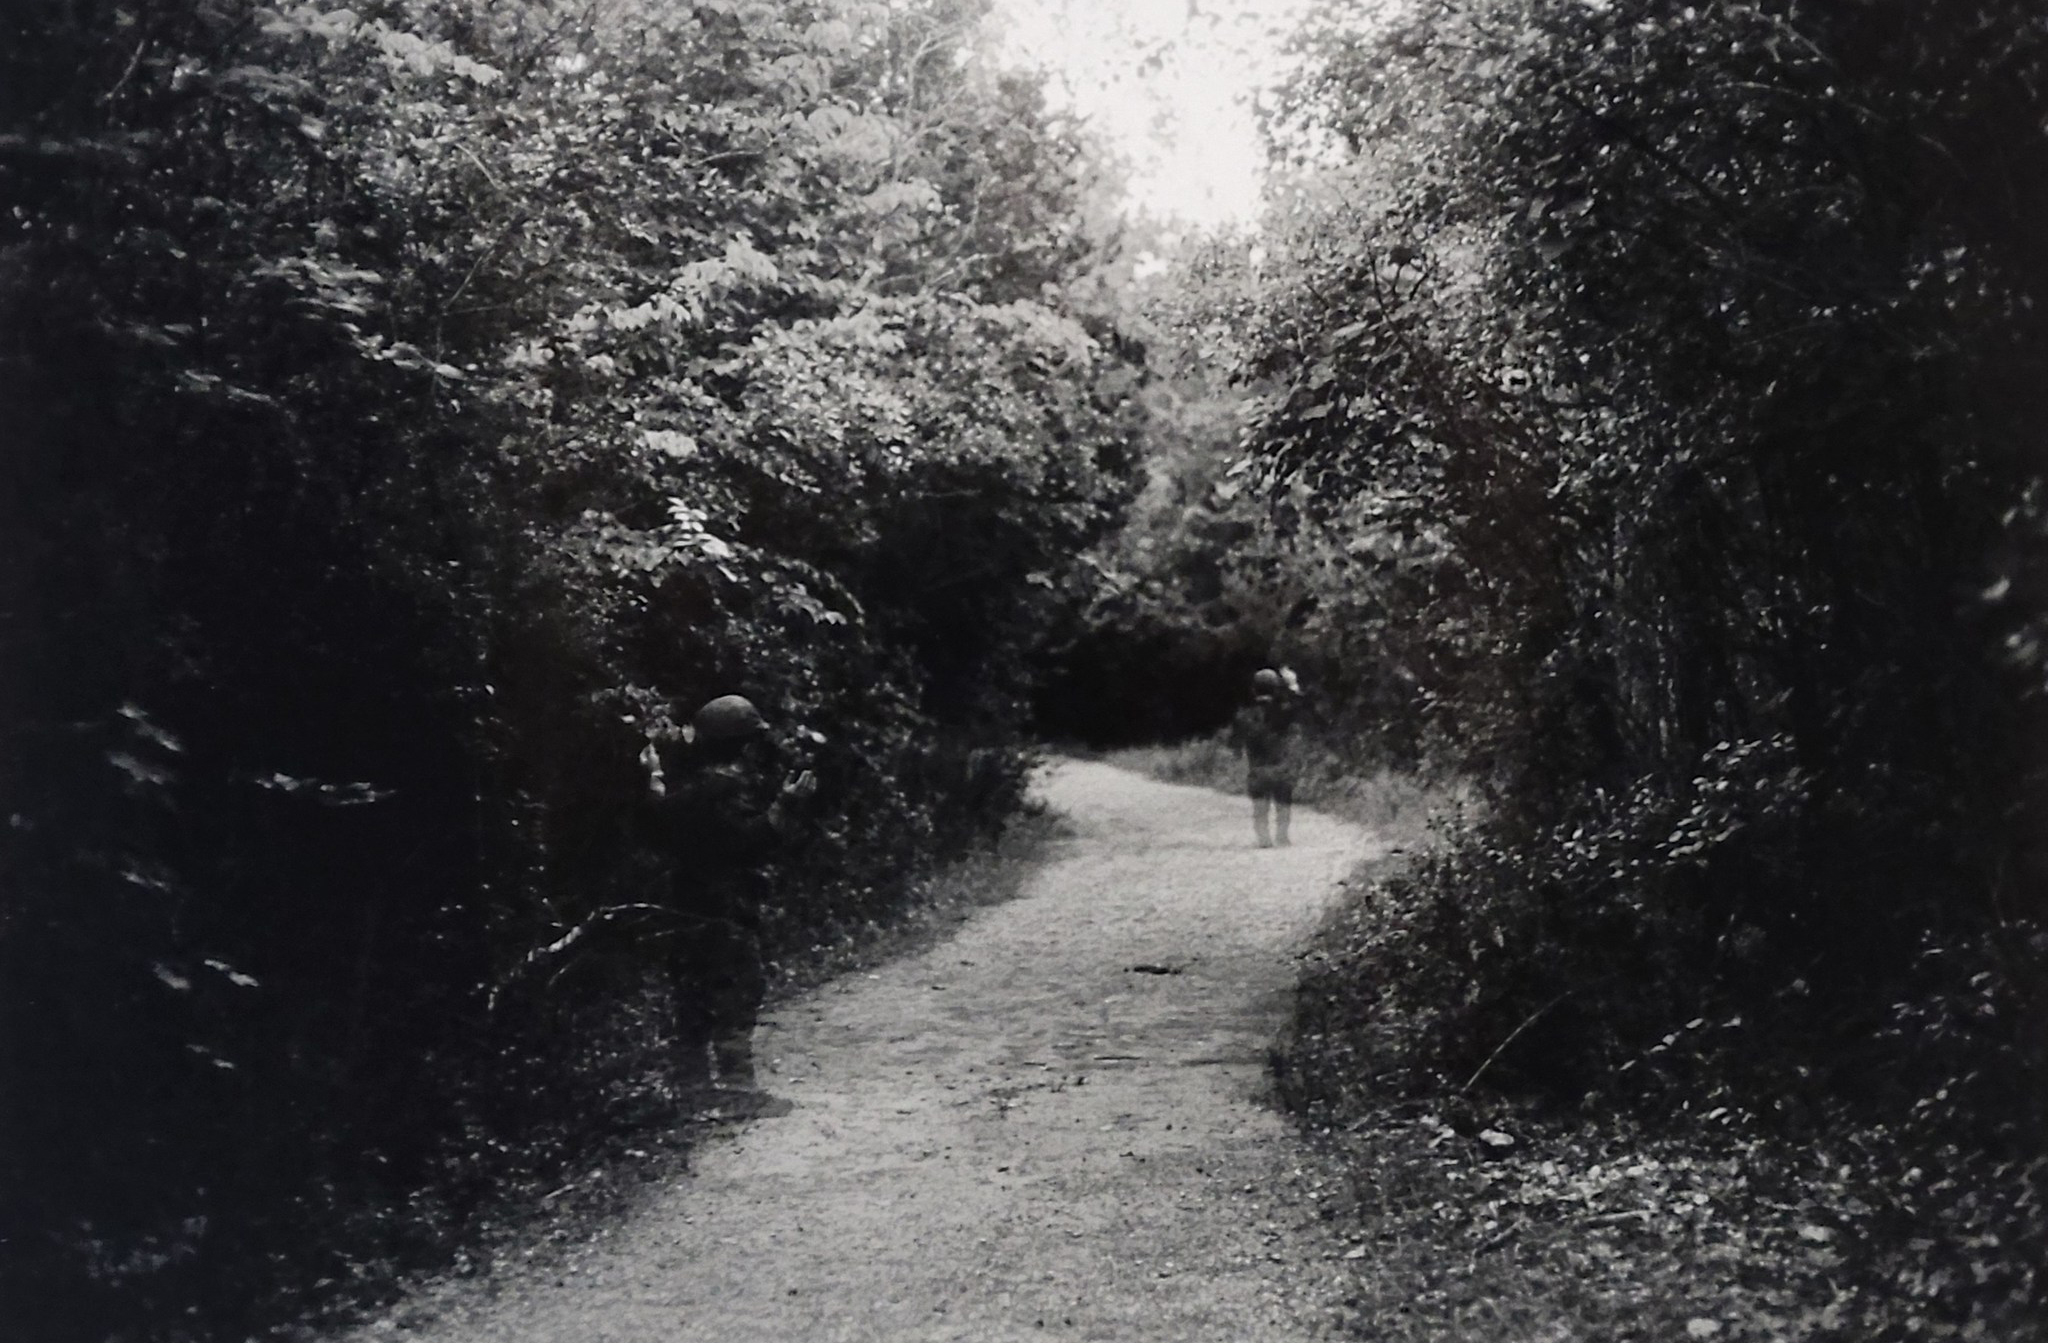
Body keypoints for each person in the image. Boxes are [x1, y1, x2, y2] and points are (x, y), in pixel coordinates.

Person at [642, 693, 814, 1095]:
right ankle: (736, 1080)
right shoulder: (725, 787)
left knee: (691, 990)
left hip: (684, 900)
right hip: (726, 903)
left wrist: (653, 777)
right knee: (740, 986)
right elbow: (744, 843)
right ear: (741, 744)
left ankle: (691, 1081)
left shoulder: (688, 787)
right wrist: (785, 807)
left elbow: (658, 822)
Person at [1228, 667, 1300, 848]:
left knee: (1260, 808)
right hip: (1281, 767)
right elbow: (1301, 705)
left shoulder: (1244, 715)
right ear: (1277, 689)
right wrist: (1292, 685)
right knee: (1283, 805)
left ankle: (1264, 839)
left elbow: (1234, 744)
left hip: (1258, 769)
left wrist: (1238, 753)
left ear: (1253, 689)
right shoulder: (1283, 711)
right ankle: (1282, 837)